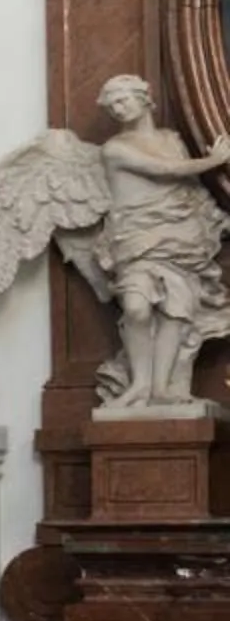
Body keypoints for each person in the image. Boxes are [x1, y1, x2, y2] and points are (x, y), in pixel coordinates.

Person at [92, 74, 230, 410]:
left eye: (123, 99)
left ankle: (161, 387)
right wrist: (215, 160)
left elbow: (187, 187)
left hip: (179, 234)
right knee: (136, 307)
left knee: (175, 311)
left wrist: (211, 220)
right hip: (136, 237)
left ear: (144, 98)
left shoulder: (172, 139)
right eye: (112, 105)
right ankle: (138, 383)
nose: (118, 109)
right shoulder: (114, 149)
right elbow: (166, 170)